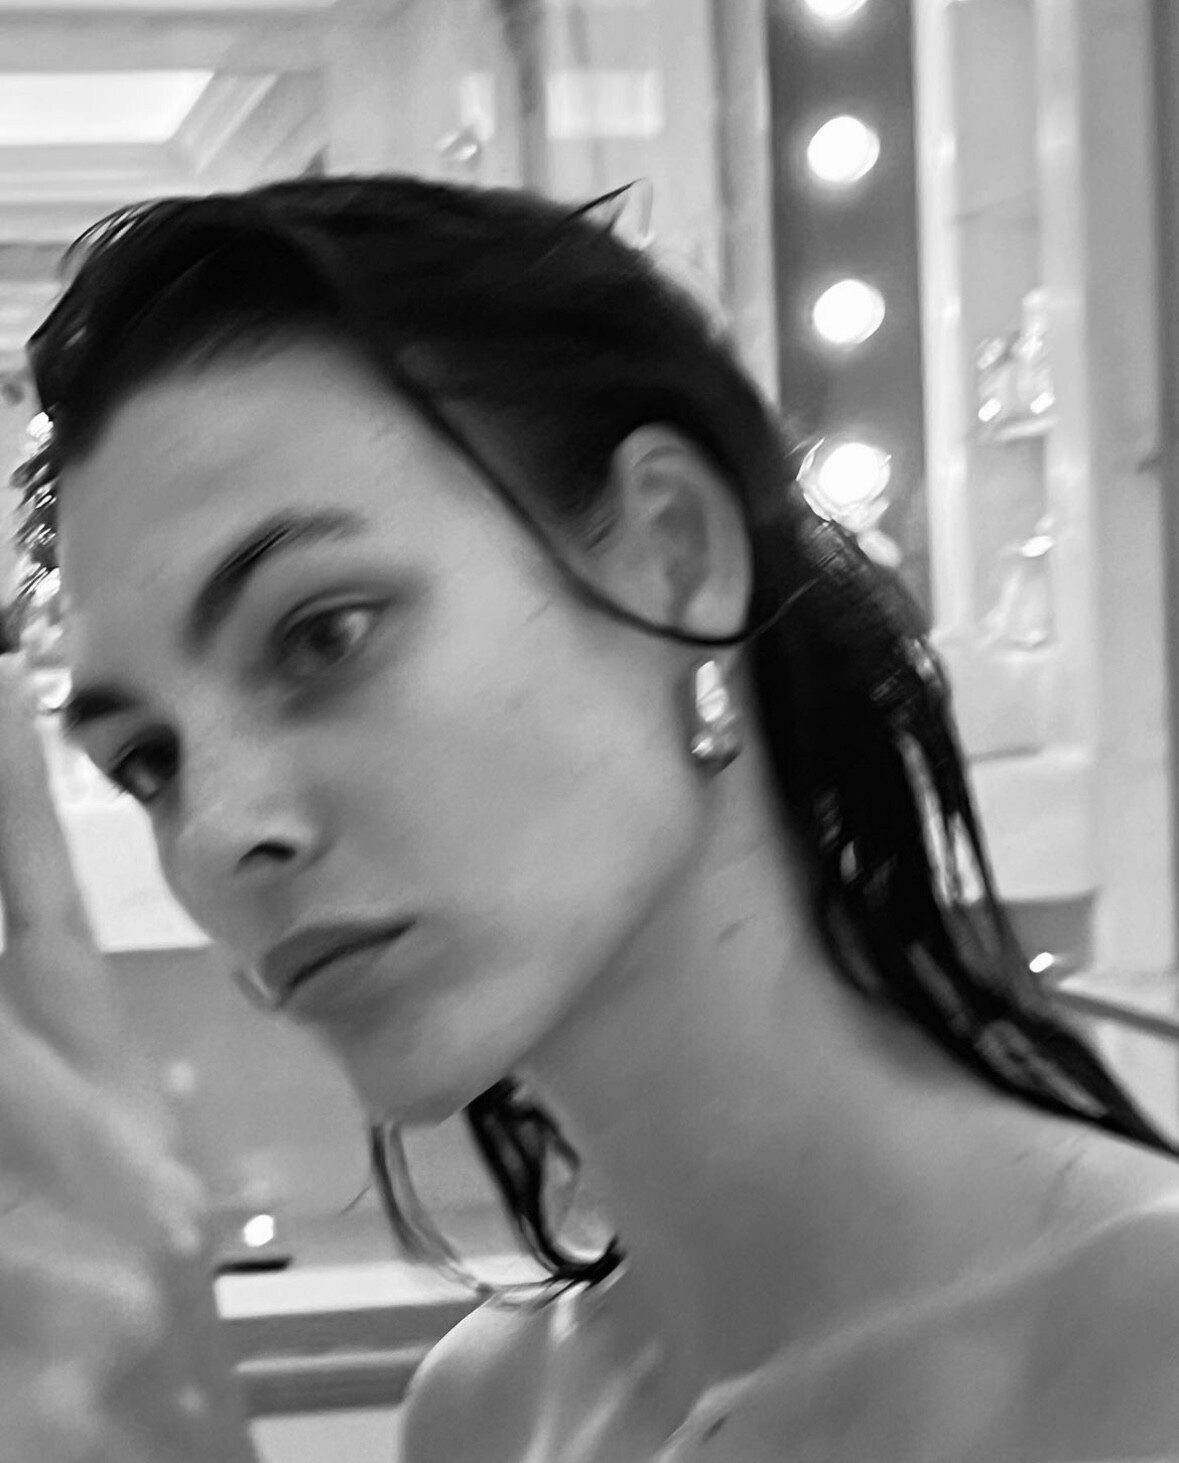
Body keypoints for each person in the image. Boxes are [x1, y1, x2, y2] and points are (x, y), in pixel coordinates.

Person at [5, 173, 1179, 1462]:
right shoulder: (486, 1412)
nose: (222, 830)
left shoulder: (1146, 1353)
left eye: (321, 635)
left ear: (675, 552)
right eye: (149, 761)